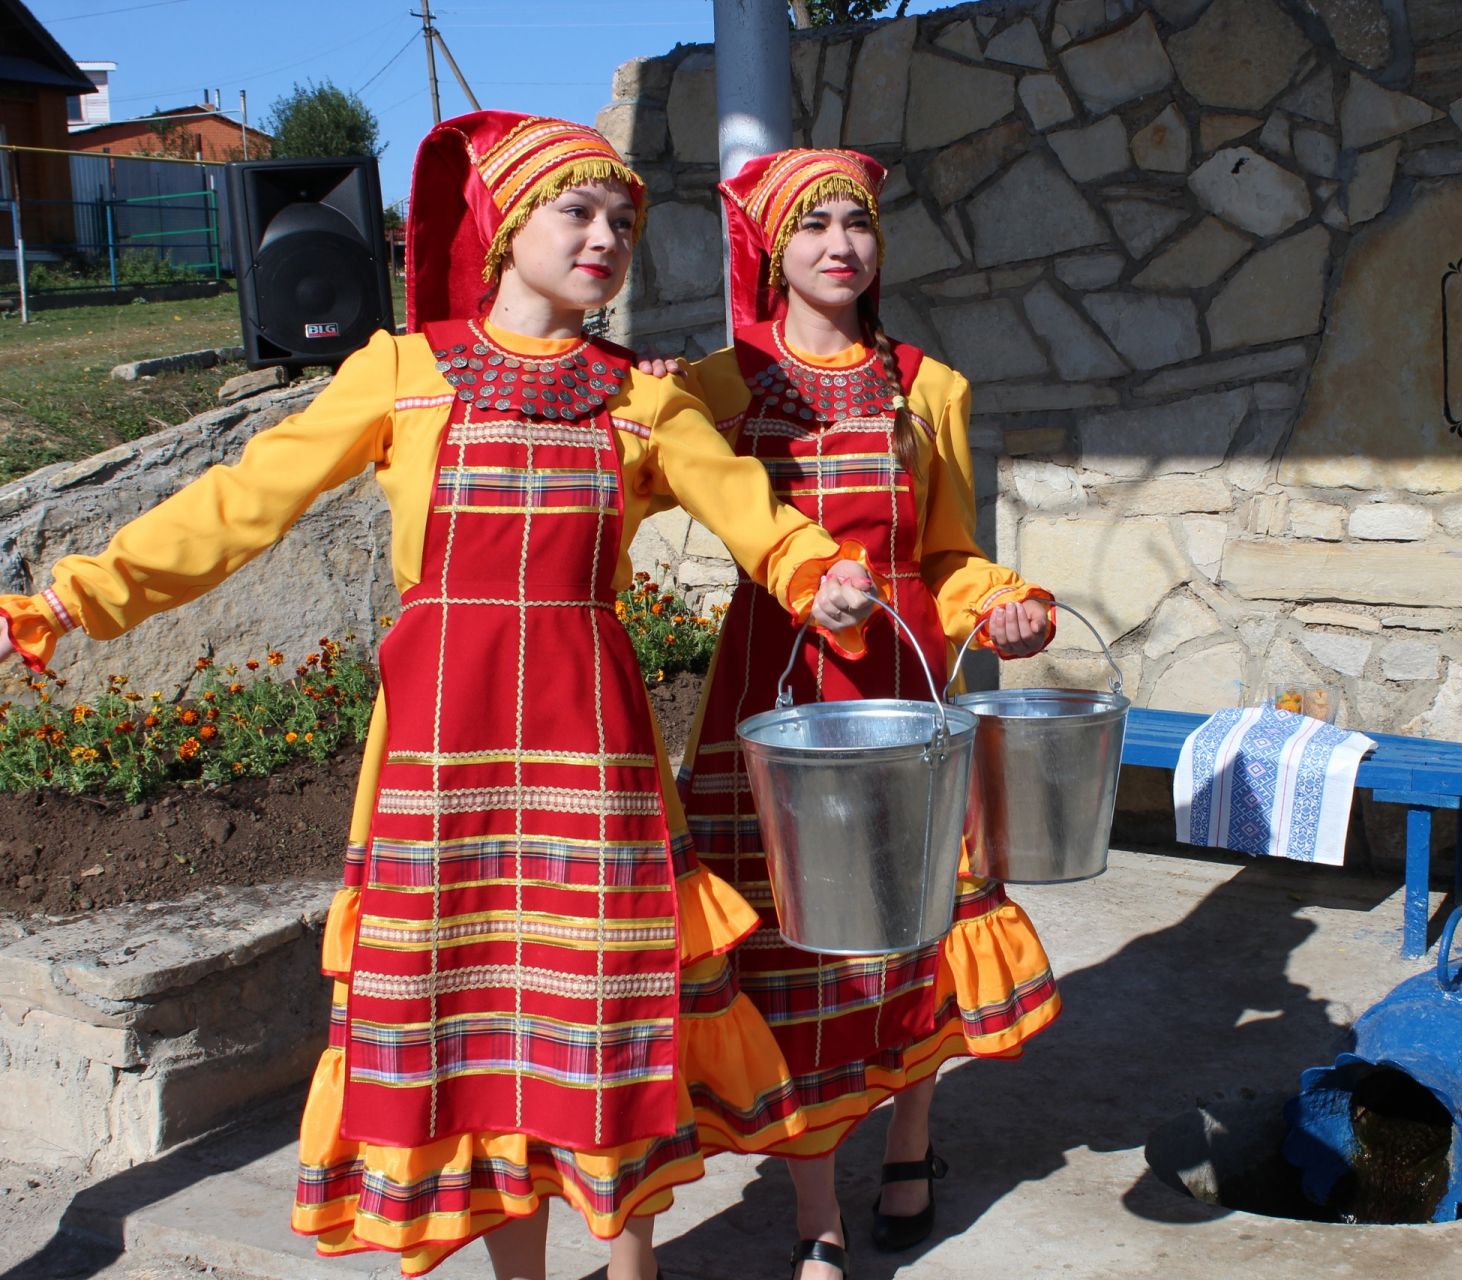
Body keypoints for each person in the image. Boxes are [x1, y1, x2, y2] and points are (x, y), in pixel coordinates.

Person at [0, 112, 880, 1280]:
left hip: (593, 763)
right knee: (482, 1038)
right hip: (437, 766)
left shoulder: (643, 402)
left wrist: (820, 573)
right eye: (578, 212)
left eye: (624, 220)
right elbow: (239, 503)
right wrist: (74, 597)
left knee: (603, 1023)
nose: (606, 237)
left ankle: (633, 1270)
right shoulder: (402, 374)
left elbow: (756, 514)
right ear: (507, 226)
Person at [677, 148, 1062, 1280]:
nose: (840, 243)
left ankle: (910, 1139)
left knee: (913, 931)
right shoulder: (712, 387)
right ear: (771, 249)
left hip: (901, 685)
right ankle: (815, 1207)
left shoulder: (926, 386)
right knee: (794, 949)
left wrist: (1003, 608)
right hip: (775, 691)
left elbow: (946, 556)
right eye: (812, 225)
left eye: (857, 223)